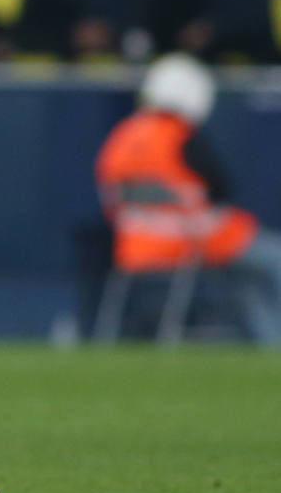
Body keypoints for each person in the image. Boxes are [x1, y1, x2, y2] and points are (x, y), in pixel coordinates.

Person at [94, 52, 281, 343]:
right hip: (192, 243)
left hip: (132, 248)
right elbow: (221, 191)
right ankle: (272, 342)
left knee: (248, 281)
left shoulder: (123, 135)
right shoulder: (182, 137)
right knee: (272, 261)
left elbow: (109, 198)